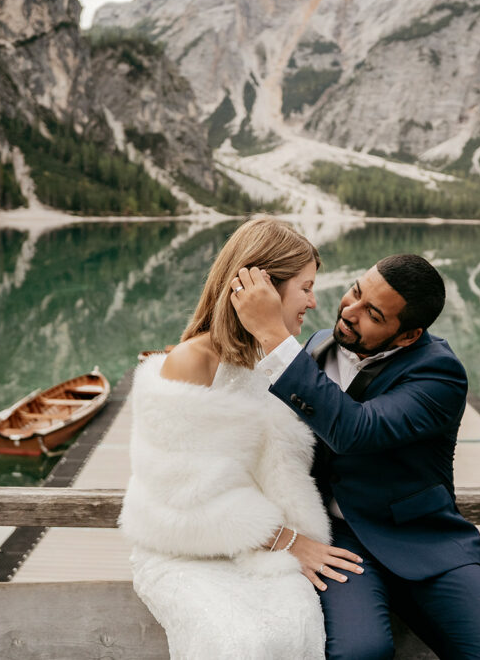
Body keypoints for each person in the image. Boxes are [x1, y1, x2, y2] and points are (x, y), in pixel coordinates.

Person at [232, 253, 480, 659]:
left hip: (423, 540)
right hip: (337, 542)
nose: (350, 312)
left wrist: (273, 335)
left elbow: (354, 431)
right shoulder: (320, 343)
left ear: (408, 336)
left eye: (373, 314)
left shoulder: (439, 374)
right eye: (355, 292)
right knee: (361, 652)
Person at [119, 218, 364, 659]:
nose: (314, 300)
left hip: (263, 545)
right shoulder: (192, 360)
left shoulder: (277, 362)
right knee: (240, 644)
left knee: (296, 621)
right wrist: (289, 540)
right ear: (262, 289)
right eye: (305, 287)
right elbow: (183, 495)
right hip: (185, 548)